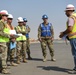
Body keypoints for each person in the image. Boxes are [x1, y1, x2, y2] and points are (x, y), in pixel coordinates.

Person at [59, 4, 76, 71]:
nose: (65, 13)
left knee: (75, 54)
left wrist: (63, 34)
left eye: (66, 11)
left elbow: (70, 29)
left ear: (69, 11)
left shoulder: (71, 18)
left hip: (74, 38)